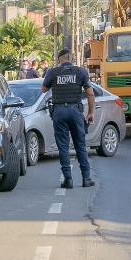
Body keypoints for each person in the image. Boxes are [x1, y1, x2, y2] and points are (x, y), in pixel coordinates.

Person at [41, 48, 97, 189]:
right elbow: (90, 94)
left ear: (60, 59)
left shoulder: (52, 72)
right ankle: (86, 178)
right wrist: (91, 113)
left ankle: (68, 179)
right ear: (70, 58)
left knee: (63, 147)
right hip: (75, 111)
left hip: (59, 111)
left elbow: (43, 89)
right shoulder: (81, 72)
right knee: (80, 145)